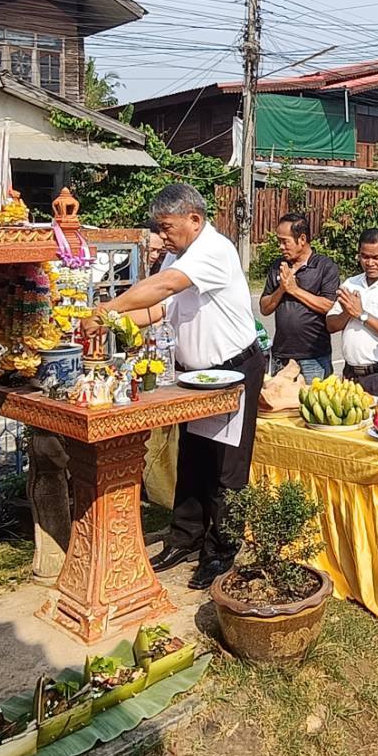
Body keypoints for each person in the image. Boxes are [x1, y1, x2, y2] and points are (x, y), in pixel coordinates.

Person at [93, 183, 263, 590]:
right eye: (159, 227)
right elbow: (157, 308)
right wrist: (108, 323)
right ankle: (185, 537)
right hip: (196, 376)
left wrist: (105, 308)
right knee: (193, 460)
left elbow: (165, 286)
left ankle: (221, 551)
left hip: (232, 372)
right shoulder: (178, 253)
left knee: (226, 468)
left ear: (195, 219)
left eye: (167, 227)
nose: (161, 235)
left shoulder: (214, 250)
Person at [327, 228, 378, 390]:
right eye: (365, 257)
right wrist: (347, 312)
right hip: (351, 373)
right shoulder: (351, 283)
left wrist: (362, 314)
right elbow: (331, 325)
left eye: (376, 257)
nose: (370, 263)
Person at [259, 213, 340, 380]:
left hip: (313, 357)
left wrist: (294, 290)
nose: (280, 247)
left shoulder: (324, 267)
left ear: (302, 239)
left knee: (313, 405)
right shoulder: (278, 266)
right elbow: (264, 307)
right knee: (280, 405)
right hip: (281, 356)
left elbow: (328, 306)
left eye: (285, 241)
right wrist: (281, 289)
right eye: (278, 241)